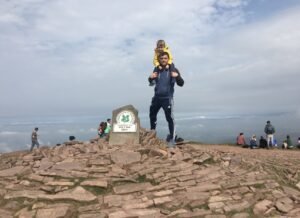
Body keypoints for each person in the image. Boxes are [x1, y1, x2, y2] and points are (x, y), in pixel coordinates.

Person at [148, 51, 184, 147]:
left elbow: (181, 83)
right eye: (162, 58)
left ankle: (172, 138)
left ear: (168, 59)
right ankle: (152, 136)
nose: (163, 60)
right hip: (156, 98)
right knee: (152, 115)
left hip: (167, 98)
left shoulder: (173, 70)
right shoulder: (157, 70)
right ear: (159, 60)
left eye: (165, 58)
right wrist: (150, 78)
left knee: (169, 118)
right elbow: (151, 83)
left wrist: (177, 76)